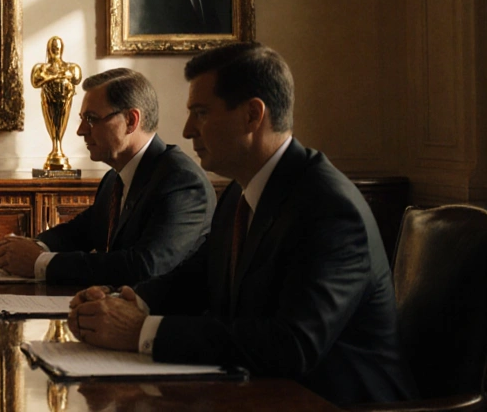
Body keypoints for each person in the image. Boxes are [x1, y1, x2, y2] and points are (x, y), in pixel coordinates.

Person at [67, 43, 416, 406]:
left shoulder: (328, 207)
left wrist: (140, 331)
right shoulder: (239, 192)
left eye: (200, 113)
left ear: (252, 115)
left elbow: (292, 345)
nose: (187, 131)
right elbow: (198, 278)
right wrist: (125, 302)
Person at [0, 68, 214, 286]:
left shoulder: (181, 181)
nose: (80, 130)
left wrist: (40, 263)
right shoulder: (114, 178)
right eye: (82, 119)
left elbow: (145, 266)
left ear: (130, 120)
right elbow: (80, 232)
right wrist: (31, 247)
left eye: (91, 119)